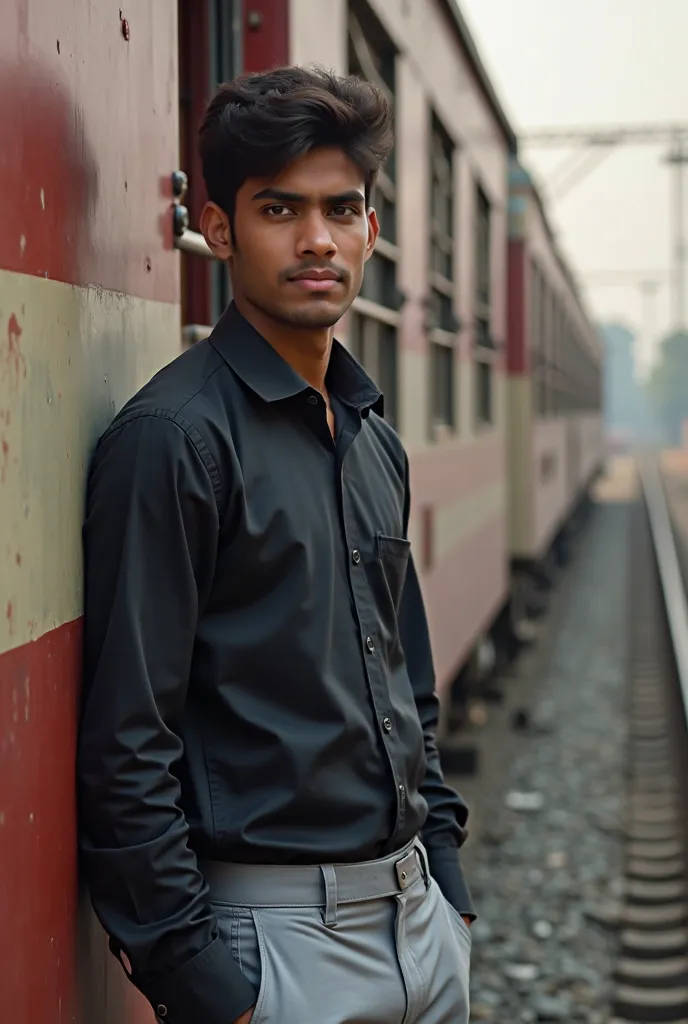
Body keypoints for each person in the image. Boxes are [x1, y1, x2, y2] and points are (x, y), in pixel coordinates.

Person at [78, 65, 474, 1024]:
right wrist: (208, 985)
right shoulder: (173, 441)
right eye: (279, 209)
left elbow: (408, 686)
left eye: (344, 209)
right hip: (277, 951)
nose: (317, 240)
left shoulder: (372, 437)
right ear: (219, 231)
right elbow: (127, 742)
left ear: (372, 229)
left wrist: (451, 891)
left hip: (420, 922)